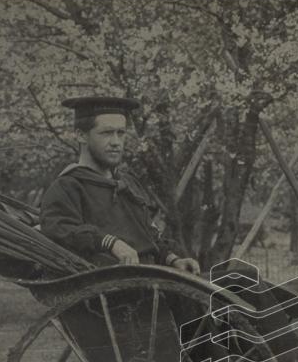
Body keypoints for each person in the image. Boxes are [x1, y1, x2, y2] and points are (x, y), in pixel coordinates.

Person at [40, 95, 199, 272]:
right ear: (81, 135)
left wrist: (172, 259)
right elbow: (58, 229)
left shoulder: (128, 183)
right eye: (107, 133)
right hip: (110, 285)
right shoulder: (68, 186)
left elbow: (147, 233)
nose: (116, 142)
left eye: (121, 133)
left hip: (154, 276)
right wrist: (110, 243)